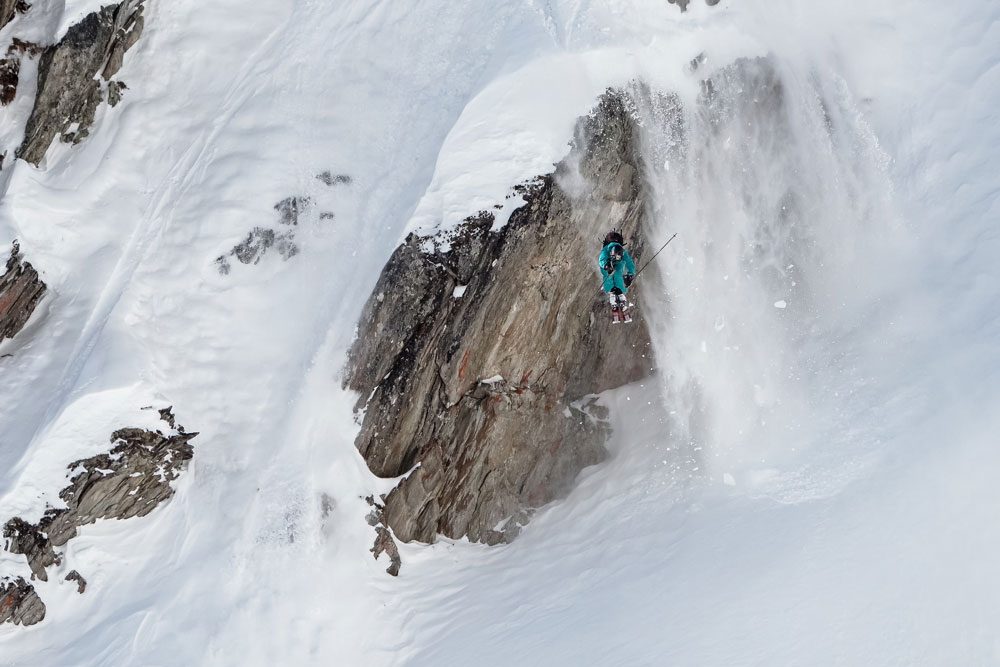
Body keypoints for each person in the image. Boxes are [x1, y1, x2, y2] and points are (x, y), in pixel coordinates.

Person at [599, 231, 635, 317]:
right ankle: (612, 292)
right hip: (608, 265)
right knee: (609, 276)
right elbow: (602, 260)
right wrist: (606, 266)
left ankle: (620, 292)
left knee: (618, 273)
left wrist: (630, 275)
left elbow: (630, 263)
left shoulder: (623, 252)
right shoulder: (606, 251)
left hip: (618, 266)